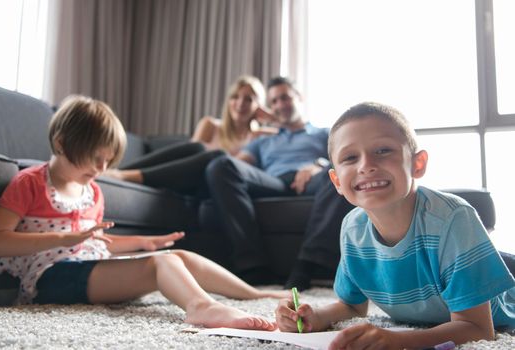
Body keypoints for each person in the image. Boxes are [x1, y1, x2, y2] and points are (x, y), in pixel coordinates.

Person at [0, 95, 289, 330]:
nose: (103, 169)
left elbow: (93, 241)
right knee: (160, 266)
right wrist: (61, 238)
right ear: (61, 143)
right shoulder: (30, 182)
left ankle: (254, 293)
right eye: (96, 159)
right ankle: (201, 307)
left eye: (108, 161)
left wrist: (141, 243)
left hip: (87, 267)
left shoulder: (92, 191)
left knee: (179, 257)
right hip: (50, 279)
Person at [275, 102, 515, 348]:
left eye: (383, 151)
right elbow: (352, 305)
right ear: (336, 181)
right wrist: (314, 315)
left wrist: (396, 341)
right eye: (350, 157)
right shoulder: (352, 229)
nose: (366, 165)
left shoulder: (454, 218)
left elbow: (478, 329)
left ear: (417, 164)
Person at [204, 76, 354, 286]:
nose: (279, 105)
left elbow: (346, 157)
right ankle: (253, 267)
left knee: (339, 172)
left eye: (284, 98)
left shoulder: (323, 133)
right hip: (273, 182)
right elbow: (233, 164)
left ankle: (308, 265)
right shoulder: (263, 139)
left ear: (299, 97)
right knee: (221, 166)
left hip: (313, 181)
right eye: (273, 101)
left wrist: (318, 164)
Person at [104, 75, 276, 195]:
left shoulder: (260, 136)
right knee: (198, 147)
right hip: (184, 179)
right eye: (235, 97)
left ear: (258, 106)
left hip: (215, 188)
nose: (240, 103)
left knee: (219, 157)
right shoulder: (210, 125)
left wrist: (272, 117)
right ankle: (118, 172)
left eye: (249, 99)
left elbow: (292, 129)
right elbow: (187, 160)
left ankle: (124, 176)